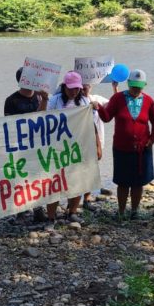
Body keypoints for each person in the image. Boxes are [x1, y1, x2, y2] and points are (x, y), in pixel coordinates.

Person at [94, 69, 154, 219]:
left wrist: (152, 139)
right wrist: (98, 108)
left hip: (143, 149)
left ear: (144, 85)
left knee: (138, 182)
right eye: (133, 86)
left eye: (139, 86)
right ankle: (121, 211)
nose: (136, 89)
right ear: (128, 83)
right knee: (122, 182)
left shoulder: (149, 101)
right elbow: (107, 118)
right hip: (121, 148)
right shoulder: (117, 98)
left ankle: (135, 211)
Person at [47, 71, 102, 222]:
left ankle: (72, 212)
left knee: (78, 181)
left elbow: (92, 125)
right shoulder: (54, 101)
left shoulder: (84, 102)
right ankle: (51, 217)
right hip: (58, 148)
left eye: (76, 88)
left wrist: (98, 144)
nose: (74, 91)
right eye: (71, 88)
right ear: (64, 87)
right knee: (55, 182)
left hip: (78, 147)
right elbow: (44, 122)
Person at [3, 67, 49, 222]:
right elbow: (10, 124)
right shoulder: (11, 100)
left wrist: (45, 100)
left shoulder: (39, 97)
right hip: (19, 144)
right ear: (22, 80)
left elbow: (41, 117)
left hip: (37, 143)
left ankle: (38, 208)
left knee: (38, 175)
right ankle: (21, 208)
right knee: (21, 175)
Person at [81, 82, 110, 210]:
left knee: (92, 169)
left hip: (97, 139)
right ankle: (72, 201)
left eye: (87, 85)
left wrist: (115, 88)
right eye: (83, 84)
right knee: (78, 170)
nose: (85, 87)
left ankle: (87, 198)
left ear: (91, 86)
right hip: (81, 141)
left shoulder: (97, 98)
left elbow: (114, 105)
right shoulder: (76, 101)